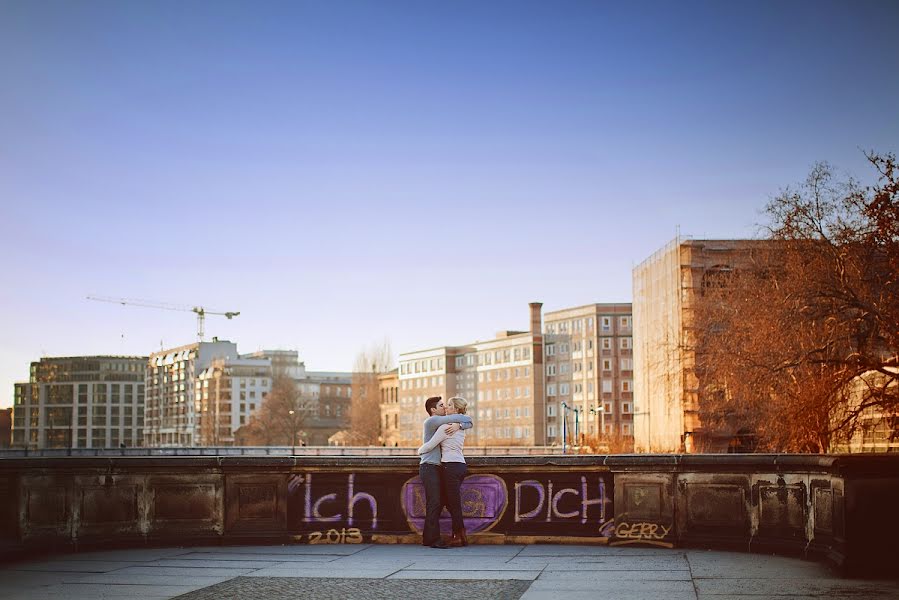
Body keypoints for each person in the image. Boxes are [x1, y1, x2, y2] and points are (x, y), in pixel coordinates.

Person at [419, 396, 472, 549]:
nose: (444, 408)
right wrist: (461, 424)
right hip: (431, 466)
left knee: (443, 502)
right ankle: (434, 538)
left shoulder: (447, 425)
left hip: (444, 467)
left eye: (447, 405)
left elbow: (466, 419)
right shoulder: (432, 421)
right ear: (433, 410)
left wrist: (460, 425)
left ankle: (442, 537)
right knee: (437, 502)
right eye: (441, 405)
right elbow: (466, 418)